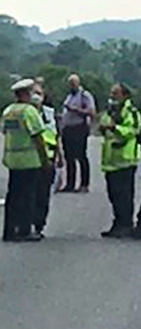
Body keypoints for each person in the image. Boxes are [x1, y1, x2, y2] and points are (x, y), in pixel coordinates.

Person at [1, 78, 51, 242]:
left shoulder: (8, 111)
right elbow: (38, 137)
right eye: (30, 92)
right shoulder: (29, 112)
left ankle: (9, 230)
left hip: (12, 160)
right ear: (24, 94)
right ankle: (24, 230)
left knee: (13, 196)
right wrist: (45, 160)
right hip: (29, 160)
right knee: (28, 197)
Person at [98, 83, 140, 238]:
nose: (112, 96)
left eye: (115, 93)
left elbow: (133, 130)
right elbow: (103, 124)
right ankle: (118, 223)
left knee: (124, 195)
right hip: (111, 161)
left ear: (125, 95)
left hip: (126, 159)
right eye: (111, 93)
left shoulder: (131, 112)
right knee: (113, 194)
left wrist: (114, 128)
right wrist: (104, 128)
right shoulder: (110, 111)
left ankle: (126, 224)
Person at [60, 73, 97, 192]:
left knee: (81, 156)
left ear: (78, 83)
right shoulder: (69, 96)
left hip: (79, 128)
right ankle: (70, 184)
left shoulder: (84, 95)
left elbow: (91, 112)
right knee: (69, 157)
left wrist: (76, 110)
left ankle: (84, 184)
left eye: (73, 83)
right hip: (68, 129)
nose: (71, 86)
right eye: (70, 84)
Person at [31, 84, 59, 236]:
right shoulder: (27, 112)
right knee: (30, 194)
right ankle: (27, 224)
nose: (36, 97)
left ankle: (39, 225)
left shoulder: (49, 113)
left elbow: (55, 134)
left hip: (48, 159)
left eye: (39, 93)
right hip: (30, 159)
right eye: (34, 93)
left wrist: (60, 157)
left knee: (43, 194)